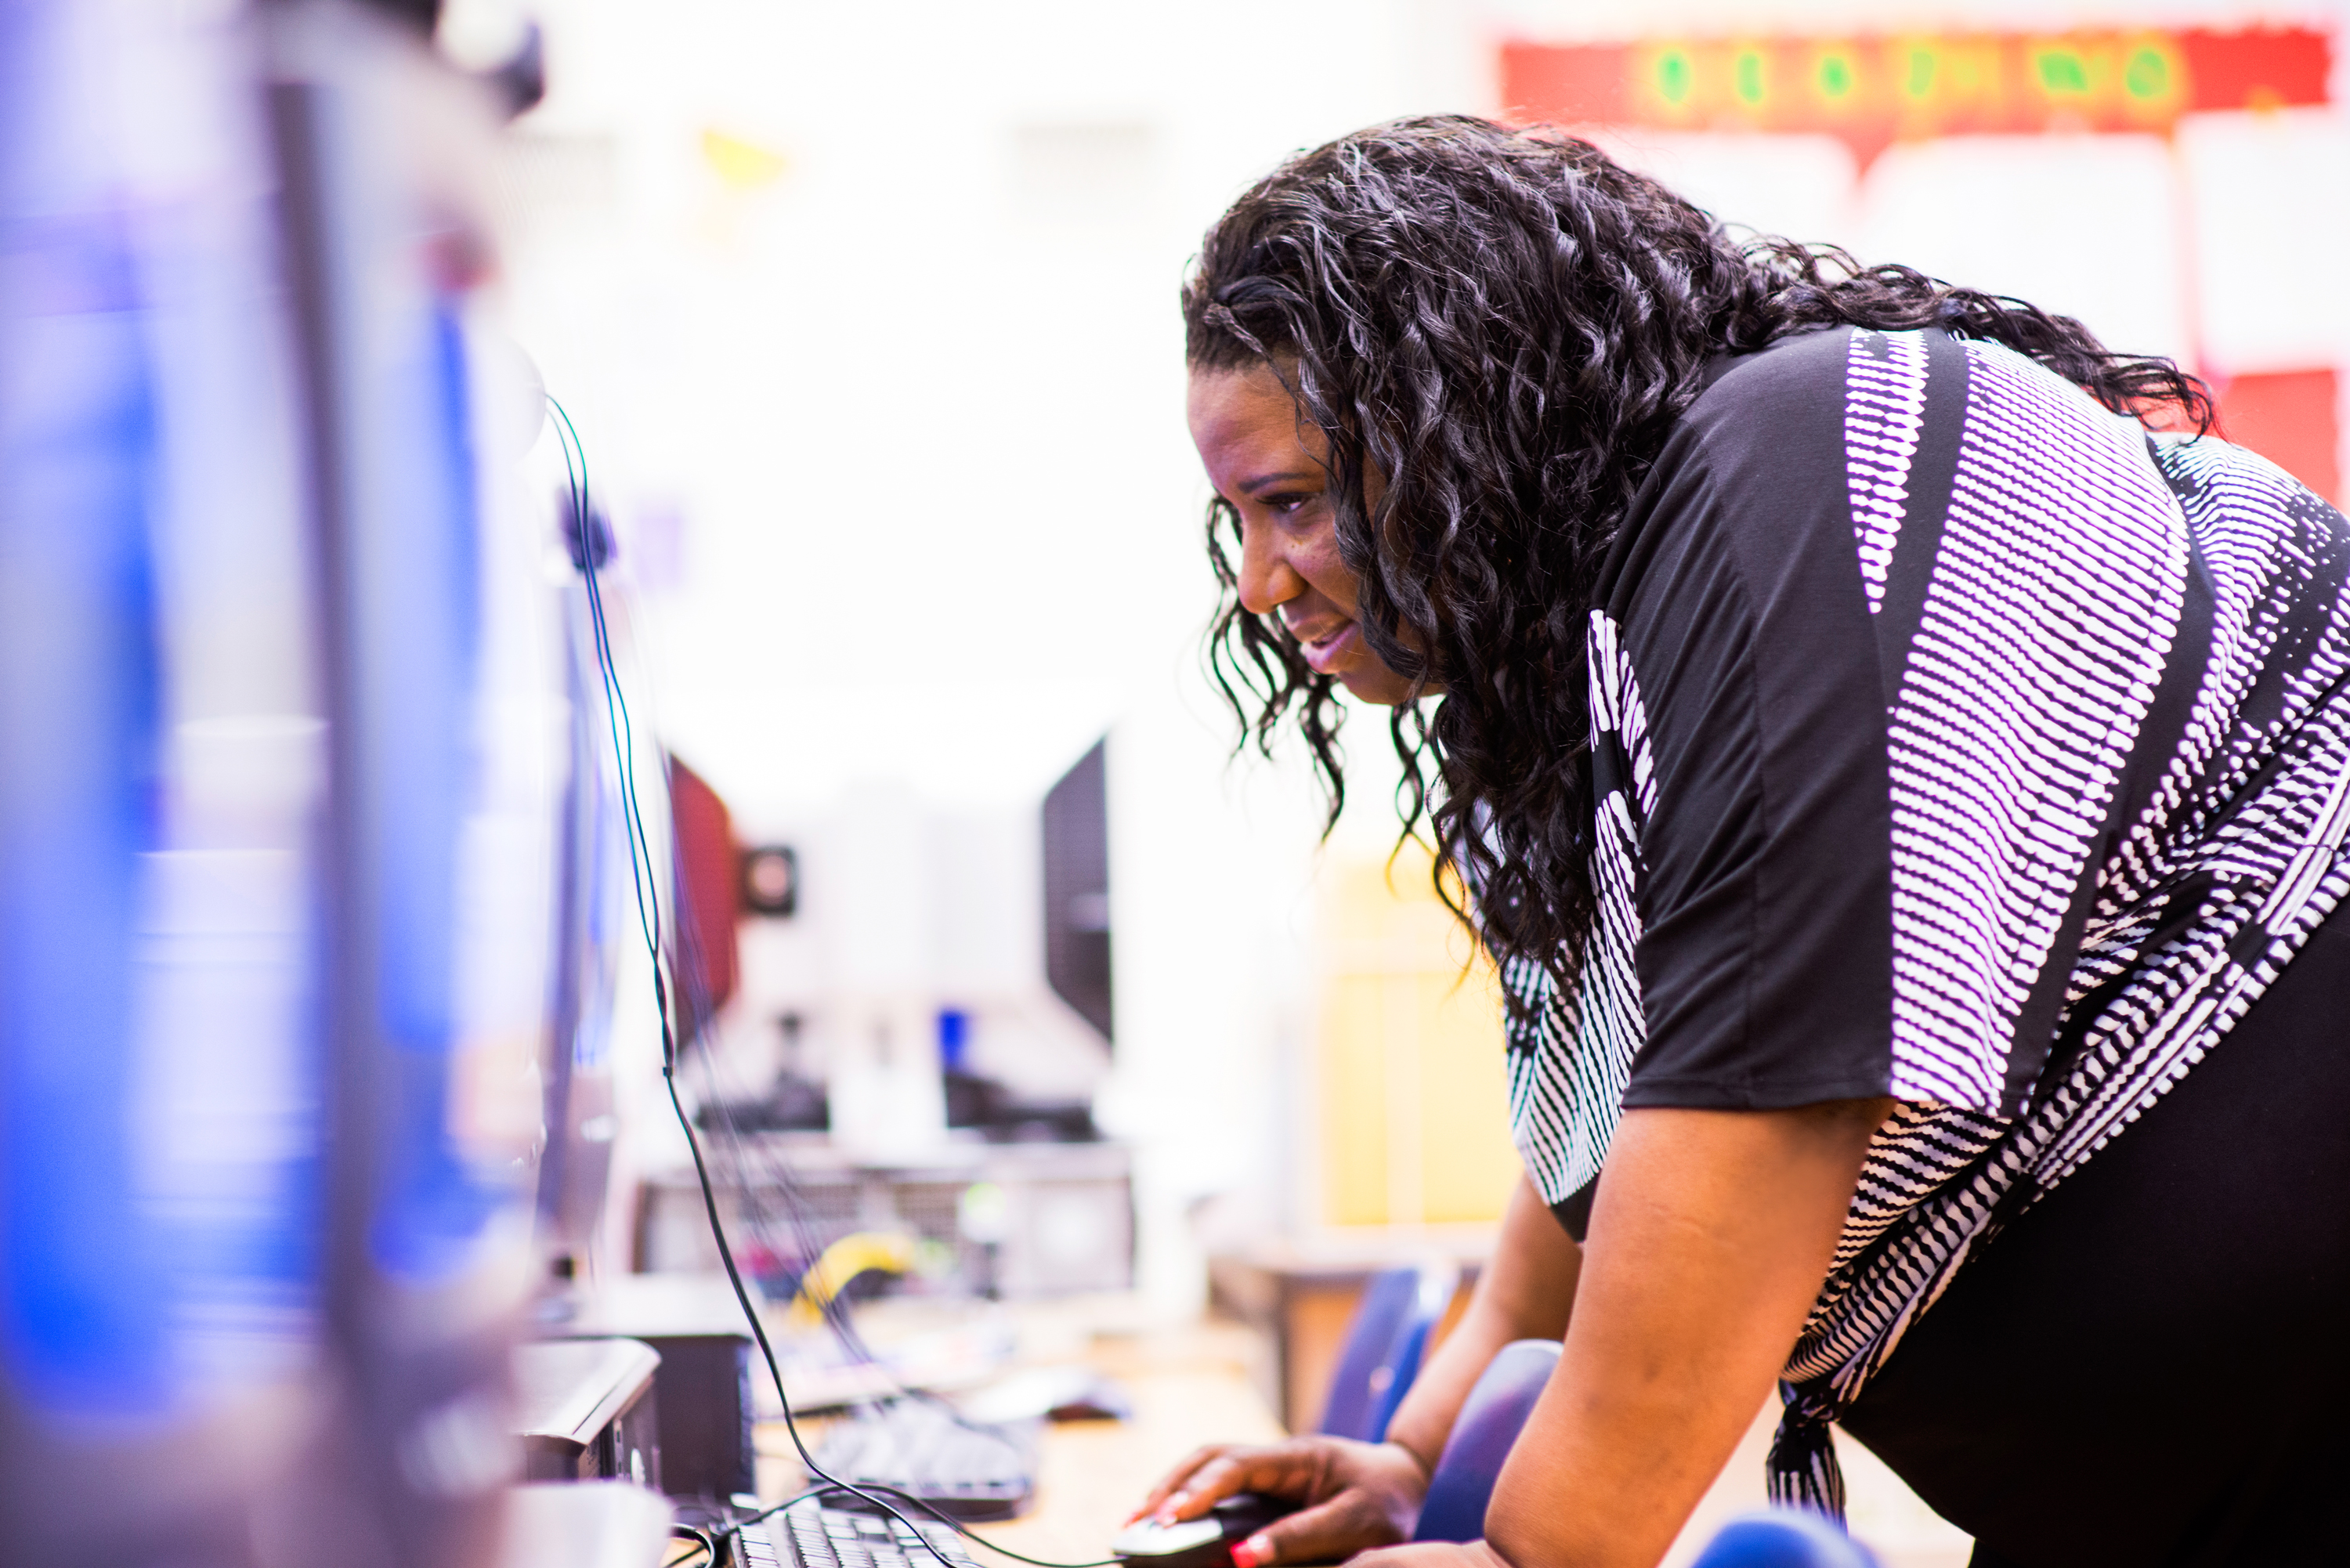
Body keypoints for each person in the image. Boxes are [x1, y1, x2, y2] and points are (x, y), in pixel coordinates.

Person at [1137, 117, 2350, 1568]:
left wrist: (1531, 1556)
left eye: (1295, 502)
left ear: (1455, 420)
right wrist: (1420, 1459)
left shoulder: (1798, 463)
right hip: (2158, 1484)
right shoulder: (1603, 637)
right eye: (1242, 522)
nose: (1265, 581)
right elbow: (1626, 1107)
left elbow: (1768, 1092)